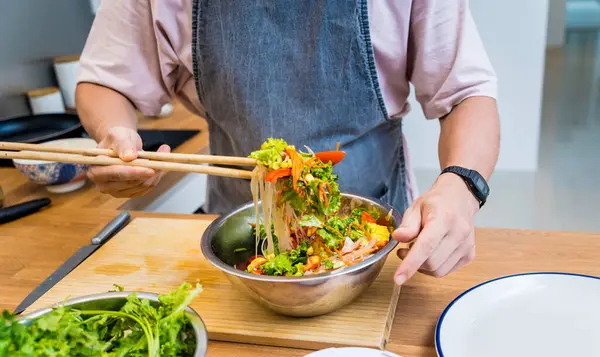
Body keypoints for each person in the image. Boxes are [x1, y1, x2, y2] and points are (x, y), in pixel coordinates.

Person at [75, 0, 500, 286]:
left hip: (372, 235)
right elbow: (108, 80)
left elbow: (467, 93)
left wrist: (462, 185)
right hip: (238, 231)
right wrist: (115, 133)